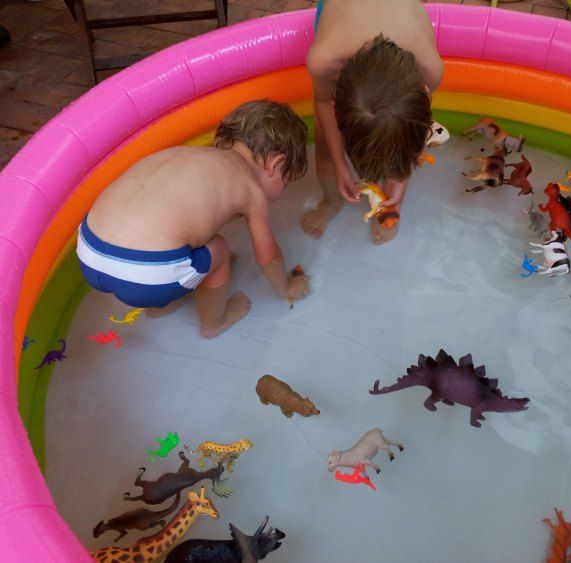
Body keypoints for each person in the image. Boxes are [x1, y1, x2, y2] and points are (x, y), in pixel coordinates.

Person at [77, 100, 310, 338]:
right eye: (286, 182)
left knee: (176, 229)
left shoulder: (190, 155)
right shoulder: (252, 191)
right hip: (148, 275)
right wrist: (285, 288)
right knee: (219, 250)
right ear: (276, 164)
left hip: (90, 250)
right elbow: (268, 257)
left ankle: (159, 307)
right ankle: (213, 323)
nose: (283, 190)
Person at [301, 0, 443, 245]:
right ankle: (330, 201)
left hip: (401, 16)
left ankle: (389, 207)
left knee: (400, 141)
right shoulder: (324, 61)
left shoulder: (429, 68)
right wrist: (339, 163)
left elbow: (416, 130)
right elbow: (323, 102)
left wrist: (399, 182)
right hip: (341, 16)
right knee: (325, 144)